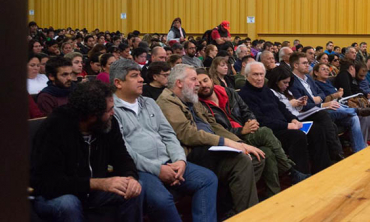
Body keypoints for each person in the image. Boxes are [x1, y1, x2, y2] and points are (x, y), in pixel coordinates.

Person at [110, 59, 218, 222]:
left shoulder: (149, 103)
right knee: (161, 200)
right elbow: (124, 150)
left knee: (208, 179)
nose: (141, 79)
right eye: (134, 76)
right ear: (118, 83)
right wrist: (157, 169)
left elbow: (168, 134)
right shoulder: (111, 110)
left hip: (169, 161)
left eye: (140, 75)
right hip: (140, 169)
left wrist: (180, 160)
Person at [156, 64, 264, 217]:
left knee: (256, 158)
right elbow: (187, 134)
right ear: (179, 83)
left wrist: (239, 143)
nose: (198, 84)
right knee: (241, 161)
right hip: (192, 152)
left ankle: (231, 210)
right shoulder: (166, 102)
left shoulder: (191, 98)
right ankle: (249, 216)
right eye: (194, 79)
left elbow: (213, 124)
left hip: (210, 147)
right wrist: (224, 142)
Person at [31, 81, 144, 222]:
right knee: (68, 204)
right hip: (56, 195)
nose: (113, 113)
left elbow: (122, 157)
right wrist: (98, 183)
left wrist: (131, 178)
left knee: (134, 190)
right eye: (109, 110)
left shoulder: (109, 124)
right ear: (91, 115)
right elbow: (48, 182)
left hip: (92, 192)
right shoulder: (55, 128)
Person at [196, 70, 308, 197]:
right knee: (265, 132)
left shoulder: (228, 92)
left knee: (267, 151)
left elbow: (246, 110)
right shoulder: (198, 105)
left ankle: (274, 193)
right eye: (199, 83)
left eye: (205, 80)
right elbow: (214, 130)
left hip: (247, 130)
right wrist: (241, 130)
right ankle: (290, 170)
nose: (204, 85)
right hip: (231, 139)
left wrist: (252, 121)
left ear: (211, 79)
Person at [239, 62, 332, 174]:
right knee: (298, 136)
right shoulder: (244, 94)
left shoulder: (266, 90)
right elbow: (260, 120)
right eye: (255, 74)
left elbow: (282, 108)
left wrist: (293, 119)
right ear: (247, 75)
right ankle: (301, 175)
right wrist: (287, 125)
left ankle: (322, 170)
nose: (259, 78)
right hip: (271, 131)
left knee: (317, 129)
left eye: (261, 74)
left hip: (284, 125)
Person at [290, 54, 369, 153]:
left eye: (307, 63)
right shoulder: (292, 82)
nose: (308, 65)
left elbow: (321, 94)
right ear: (296, 65)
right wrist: (321, 103)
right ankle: (355, 110)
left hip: (322, 107)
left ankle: (359, 150)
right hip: (311, 113)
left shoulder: (308, 78)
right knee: (345, 110)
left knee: (353, 118)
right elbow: (302, 105)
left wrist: (317, 98)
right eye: (304, 63)